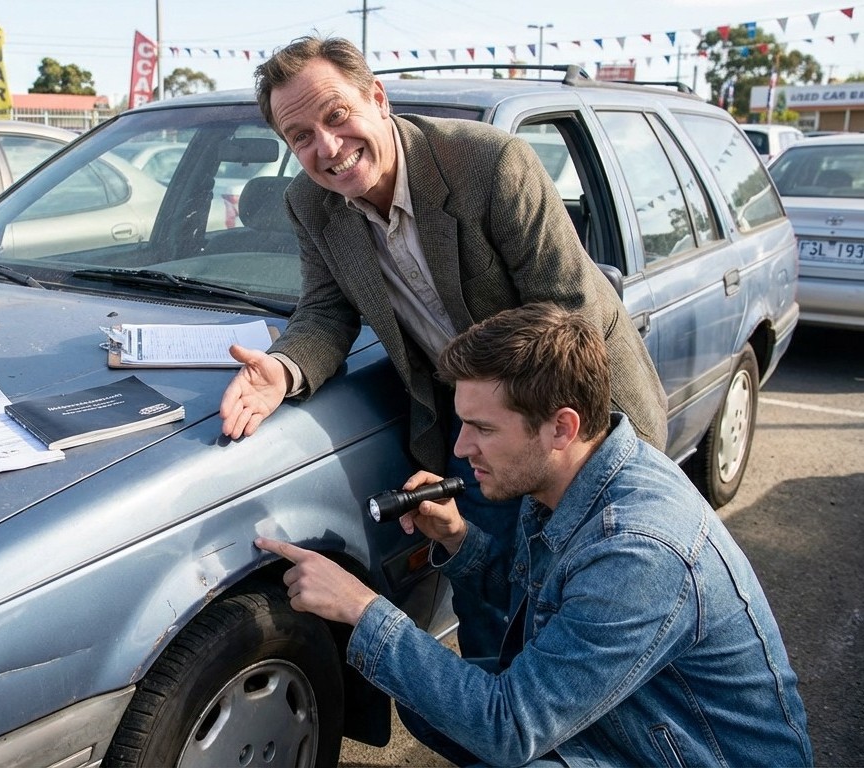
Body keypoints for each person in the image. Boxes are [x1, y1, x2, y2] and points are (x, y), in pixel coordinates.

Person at [219, 35, 667, 657]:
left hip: (577, 417)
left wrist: (516, 427)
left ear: (376, 97)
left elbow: (568, 315)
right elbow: (326, 311)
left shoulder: (490, 164)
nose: (327, 147)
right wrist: (286, 369)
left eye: (337, 115)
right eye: (300, 137)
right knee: (487, 602)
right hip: (473, 425)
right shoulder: (311, 204)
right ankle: (494, 725)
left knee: (584, 606)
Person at [255, 303, 813, 767]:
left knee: (479, 721)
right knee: (429, 701)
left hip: (701, 756)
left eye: (483, 428)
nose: (461, 448)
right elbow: (546, 604)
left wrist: (363, 608)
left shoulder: (640, 552)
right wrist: (458, 538)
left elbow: (509, 725)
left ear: (560, 427)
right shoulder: (571, 475)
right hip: (641, 722)